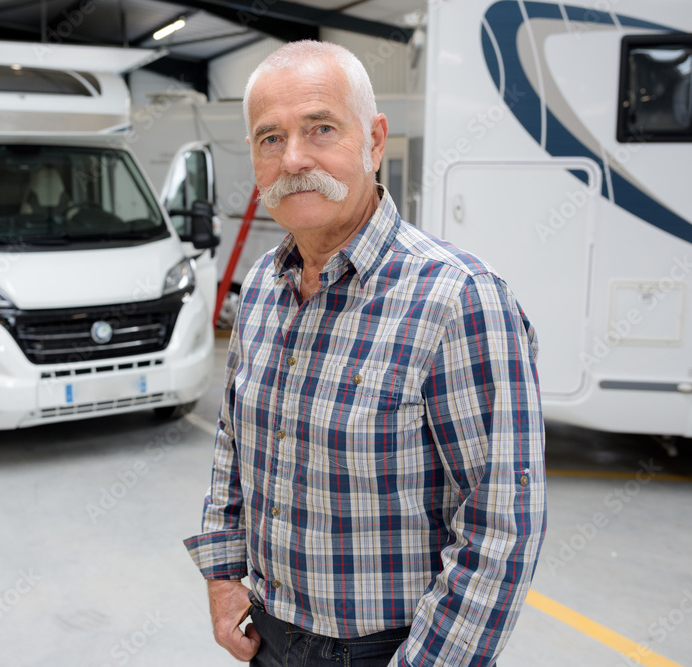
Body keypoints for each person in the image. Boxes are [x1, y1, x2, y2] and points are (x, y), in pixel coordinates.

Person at [183, 41, 546, 667]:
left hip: (390, 649)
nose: (293, 158)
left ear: (374, 141)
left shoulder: (457, 299)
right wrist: (222, 574)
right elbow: (232, 443)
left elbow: (501, 526)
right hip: (268, 633)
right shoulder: (264, 285)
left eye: (320, 129)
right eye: (271, 138)